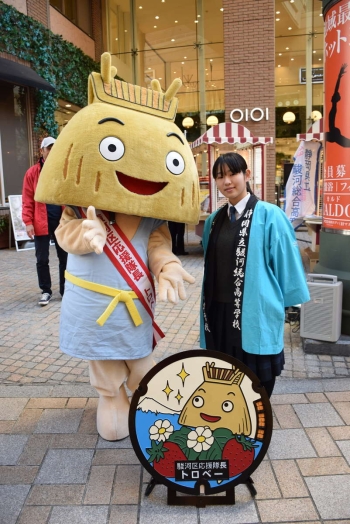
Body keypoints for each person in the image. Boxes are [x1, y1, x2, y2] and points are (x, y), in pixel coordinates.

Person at [200, 152, 310, 398]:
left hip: (255, 308)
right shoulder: (214, 221)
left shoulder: (270, 215)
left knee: (258, 373)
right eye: (220, 176)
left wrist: (290, 303)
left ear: (246, 175)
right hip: (218, 309)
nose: (227, 181)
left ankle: (257, 420)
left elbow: (287, 262)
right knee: (224, 367)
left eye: (232, 174)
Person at [22, 137, 68, 306]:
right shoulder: (32, 173)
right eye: (49, 148)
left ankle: (65, 291)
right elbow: (27, 199)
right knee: (42, 259)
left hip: (61, 222)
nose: (52, 151)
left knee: (65, 258)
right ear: (42, 151)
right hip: (40, 221)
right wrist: (28, 222)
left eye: (55, 148)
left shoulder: (64, 170)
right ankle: (46, 291)